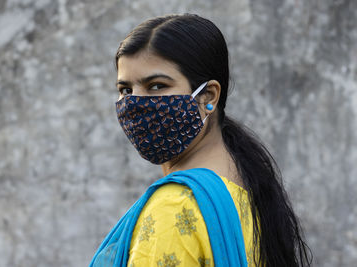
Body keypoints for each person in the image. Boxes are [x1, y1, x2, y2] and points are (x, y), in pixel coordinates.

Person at [90, 14, 312, 267]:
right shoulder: (246, 186)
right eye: (125, 90)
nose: (134, 104)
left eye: (156, 86)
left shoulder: (174, 207)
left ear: (208, 96)